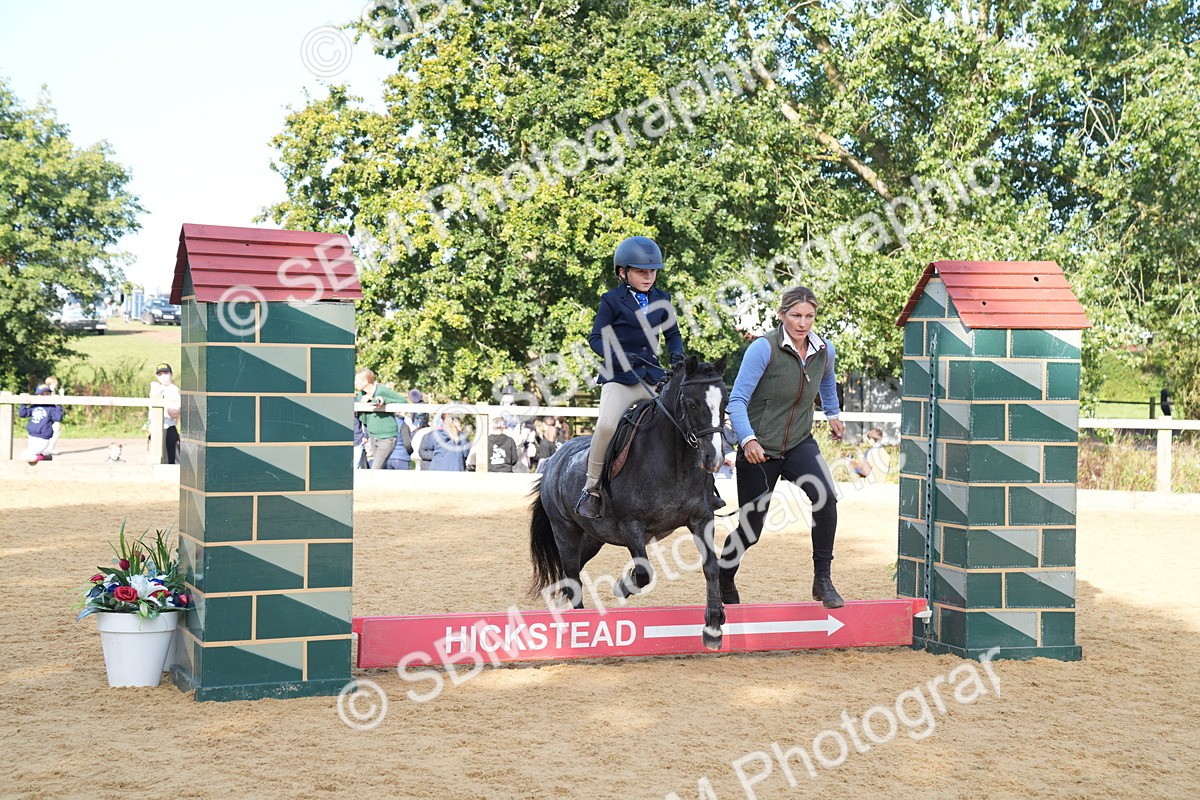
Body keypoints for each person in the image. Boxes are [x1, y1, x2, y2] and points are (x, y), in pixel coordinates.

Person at [723, 286, 846, 609]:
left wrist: (832, 413)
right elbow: (737, 400)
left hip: (798, 443)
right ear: (781, 315)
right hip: (758, 448)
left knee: (826, 497)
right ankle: (723, 578)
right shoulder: (763, 349)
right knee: (750, 530)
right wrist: (747, 438)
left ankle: (822, 579)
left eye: (809, 316)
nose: (803, 323)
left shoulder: (824, 350)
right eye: (795, 316)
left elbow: (827, 382)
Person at [576, 235, 685, 518]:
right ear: (623, 272)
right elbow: (596, 338)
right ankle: (592, 488)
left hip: (651, 376)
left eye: (652, 271)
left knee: (682, 419)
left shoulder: (662, 299)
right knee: (608, 426)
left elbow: (672, 334)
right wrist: (619, 356)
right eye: (641, 271)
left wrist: (677, 355)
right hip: (620, 378)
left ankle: (702, 485)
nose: (649, 276)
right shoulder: (611, 301)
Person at [355, 369, 406, 470]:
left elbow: (403, 401)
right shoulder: (361, 395)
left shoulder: (381, 390)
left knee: (375, 470)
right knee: (381, 469)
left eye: (356, 380)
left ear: (365, 381)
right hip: (373, 436)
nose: (354, 383)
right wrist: (362, 405)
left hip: (387, 437)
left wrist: (385, 401)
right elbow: (364, 419)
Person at [18, 384, 64, 464]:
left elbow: (57, 418)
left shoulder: (51, 408)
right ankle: (40, 457)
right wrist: (24, 402)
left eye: (47, 393)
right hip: (31, 437)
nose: (45, 396)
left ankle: (44, 457)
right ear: (37, 395)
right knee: (31, 460)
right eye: (42, 394)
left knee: (24, 456)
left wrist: (58, 405)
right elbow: (22, 414)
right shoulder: (35, 406)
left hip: (42, 439)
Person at [149, 363, 182, 464]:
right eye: (160, 374)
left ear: (171, 374)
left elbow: (175, 413)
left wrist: (164, 409)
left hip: (169, 427)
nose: (163, 376)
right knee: (155, 457)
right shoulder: (155, 388)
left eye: (166, 373)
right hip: (155, 427)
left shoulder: (174, 390)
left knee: (171, 457)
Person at [43, 375, 64, 454]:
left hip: (51, 412)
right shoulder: (50, 390)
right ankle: (49, 448)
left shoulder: (50, 390)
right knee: (56, 430)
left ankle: (48, 447)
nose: (56, 383)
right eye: (55, 381)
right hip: (52, 413)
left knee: (55, 430)